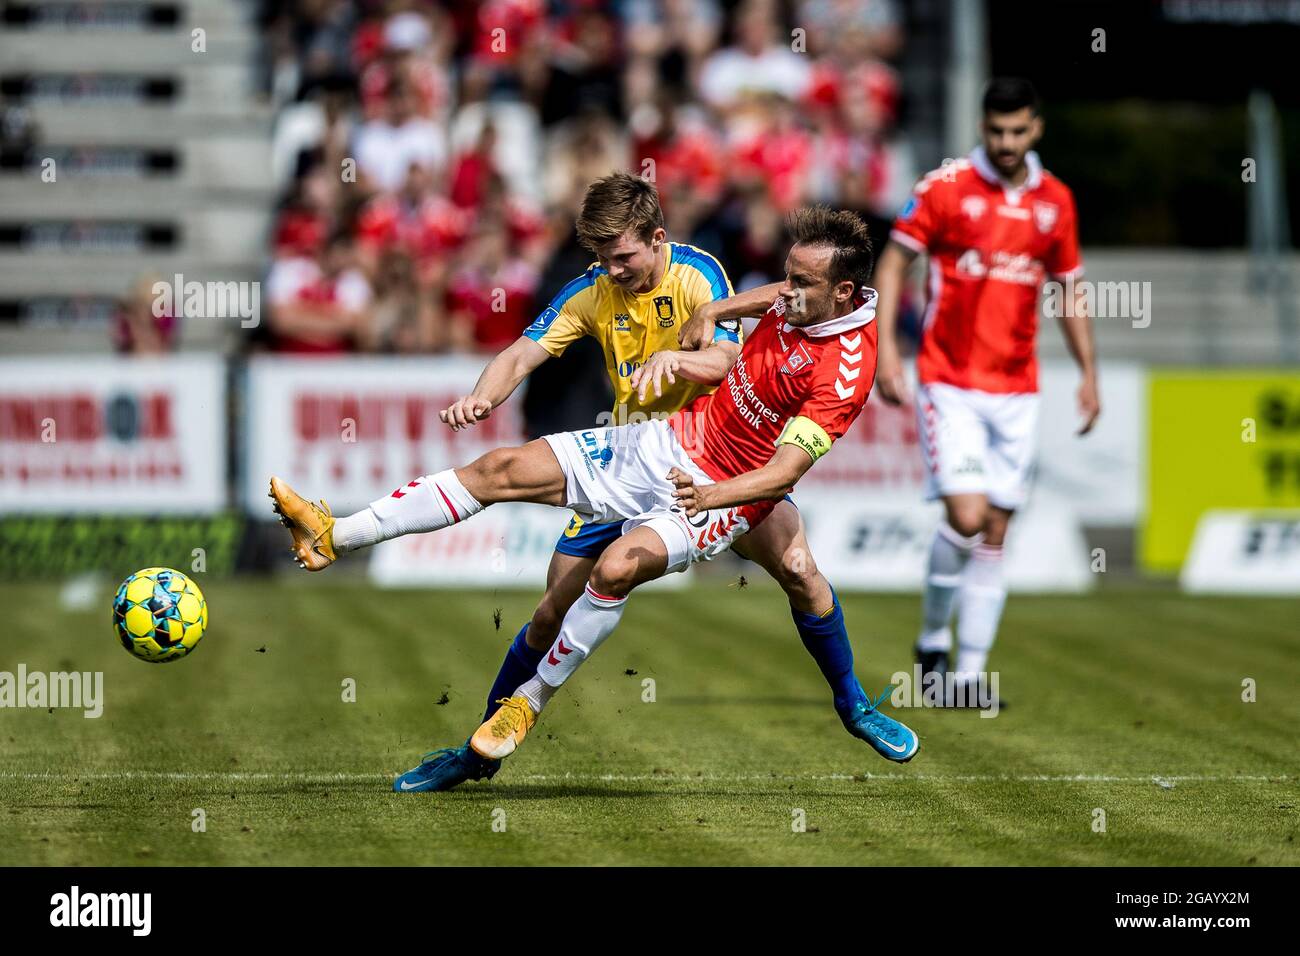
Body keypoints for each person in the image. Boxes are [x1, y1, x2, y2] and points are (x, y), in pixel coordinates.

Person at [269, 204, 920, 787]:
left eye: (801, 284)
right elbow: (775, 295)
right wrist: (716, 313)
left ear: (844, 291)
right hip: (663, 441)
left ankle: (850, 705)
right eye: (788, 277)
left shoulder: (844, 371)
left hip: (724, 493)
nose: (787, 292)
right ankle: (338, 534)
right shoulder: (804, 293)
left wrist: (710, 489)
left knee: (705, 572)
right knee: (502, 477)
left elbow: (781, 475)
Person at [870, 78, 1100, 705]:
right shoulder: (944, 189)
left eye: (1017, 131)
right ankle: (931, 642)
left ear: (1036, 129)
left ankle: (967, 679)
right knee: (967, 516)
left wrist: (1088, 372)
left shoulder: (1056, 201)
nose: (1005, 142)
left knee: (996, 528)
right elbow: (893, 263)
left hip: (1018, 389)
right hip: (949, 380)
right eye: (995, 131)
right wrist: (889, 350)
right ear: (982, 126)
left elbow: (1069, 288)